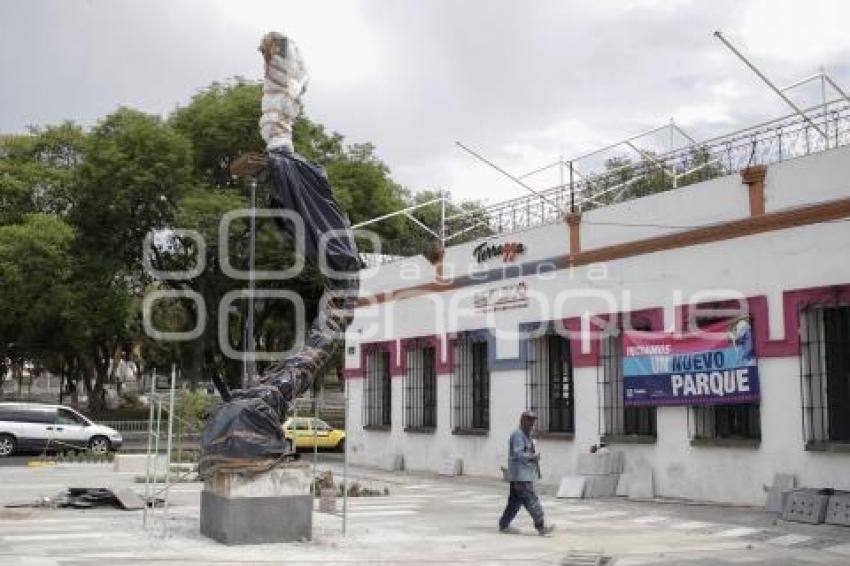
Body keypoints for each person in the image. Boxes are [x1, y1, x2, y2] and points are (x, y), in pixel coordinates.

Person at [498, 411, 555, 535]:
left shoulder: (526, 435)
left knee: (514, 502)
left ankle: (504, 524)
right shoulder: (518, 435)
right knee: (531, 499)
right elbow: (518, 453)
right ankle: (541, 526)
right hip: (520, 475)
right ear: (522, 420)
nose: (532, 424)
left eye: (533, 421)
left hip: (521, 475)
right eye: (529, 420)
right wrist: (531, 457)